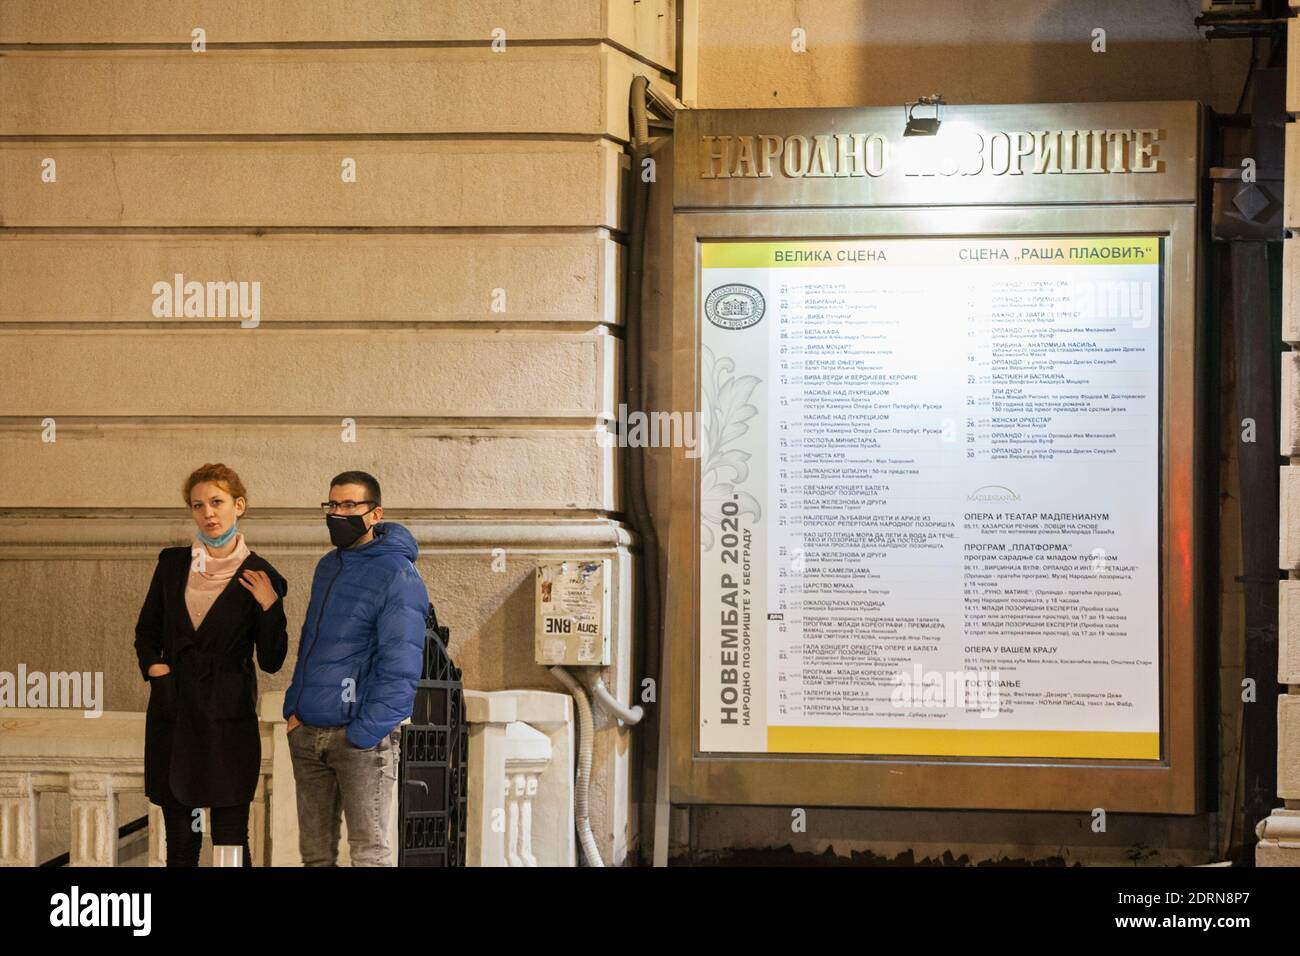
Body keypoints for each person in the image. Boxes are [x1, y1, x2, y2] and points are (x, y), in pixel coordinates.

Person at [134, 463, 289, 866]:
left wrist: (270, 607)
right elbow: (146, 633)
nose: (208, 513)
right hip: (174, 715)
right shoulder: (171, 564)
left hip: (228, 721)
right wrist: (157, 672)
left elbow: (272, 660)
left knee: (231, 841)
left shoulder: (262, 575)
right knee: (181, 842)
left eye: (217, 502)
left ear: (239, 505)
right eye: (197, 505)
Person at [283, 470, 428, 866]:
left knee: (368, 853)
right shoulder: (328, 566)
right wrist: (294, 709)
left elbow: (402, 662)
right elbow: (311, 642)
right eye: (332, 504)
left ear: (375, 513)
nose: (338, 513)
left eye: (349, 505)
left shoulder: (398, 573)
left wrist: (364, 732)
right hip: (308, 731)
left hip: (359, 740)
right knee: (315, 855)